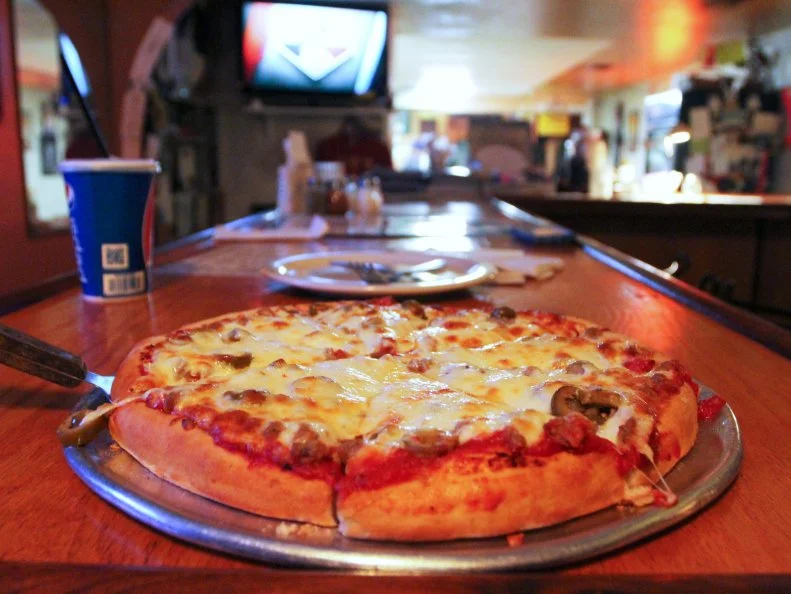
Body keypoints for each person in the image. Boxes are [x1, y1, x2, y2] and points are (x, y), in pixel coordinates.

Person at [315, 116, 392, 176]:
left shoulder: (378, 147)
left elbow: (389, 176)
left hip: (368, 190)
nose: (352, 128)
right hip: (335, 191)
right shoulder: (328, 145)